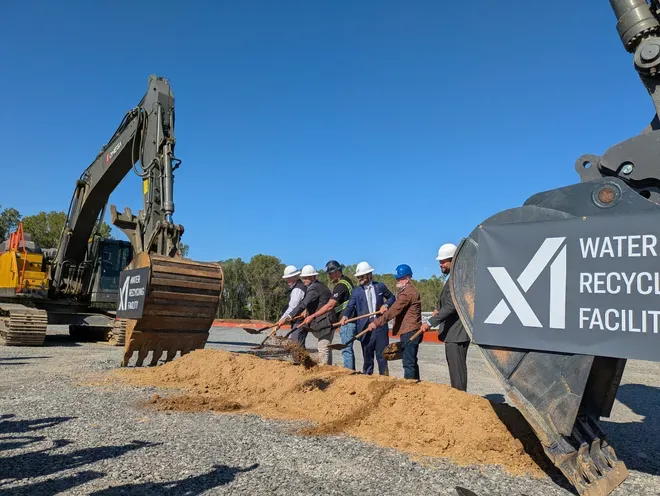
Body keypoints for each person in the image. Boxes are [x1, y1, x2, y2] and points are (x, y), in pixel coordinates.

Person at [421, 243, 471, 391]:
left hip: (457, 333)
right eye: (440, 261)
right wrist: (437, 309)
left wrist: (430, 322)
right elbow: (447, 302)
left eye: (443, 261)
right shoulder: (453, 278)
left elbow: (451, 306)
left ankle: (460, 397)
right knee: (456, 370)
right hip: (454, 333)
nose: (440, 264)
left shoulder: (457, 278)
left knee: (457, 372)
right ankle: (459, 395)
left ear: (453, 259)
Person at [366, 264, 422, 380]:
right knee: (411, 360)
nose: (397, 281)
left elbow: (394, 310)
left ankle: (410, 385)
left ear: (407, 278)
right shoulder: (407, 291)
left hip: (410, 331)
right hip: (410, 330)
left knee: (408, 362)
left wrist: (376, 323)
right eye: (397, 278)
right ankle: (415, 384)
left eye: (399, 278)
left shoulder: (407, 293)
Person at [340, 261, 395, 375]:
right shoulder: (356, 292)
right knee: (367, 358)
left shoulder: (380, 286)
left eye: (362, 276)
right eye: (358, 276)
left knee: (382, 357)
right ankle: (367, 379)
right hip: (365, 329)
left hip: (380, 326)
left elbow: (392, 298)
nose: (359, 278)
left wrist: (386, 305)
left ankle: (385, 379)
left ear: (369, 274)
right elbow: (350, 306)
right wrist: (345, 316)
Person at [301, 260, 356, 369]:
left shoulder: (340, 286)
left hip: (346, 320)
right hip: (349, 318)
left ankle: (349, 373)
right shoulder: (347, 281)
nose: (329, 276)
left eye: (331, 273)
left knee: (346, 350)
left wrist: (313, 316)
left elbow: (330, 305)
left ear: (337, 272)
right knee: (345, 349)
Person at [286, 265, 336, 365]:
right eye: (303, 278)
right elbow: (314, 302)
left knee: (323, 348)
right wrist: (307, 311)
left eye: (307, 278)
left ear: (313, 277)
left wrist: (289, 316)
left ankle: (325, 370)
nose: (304, 280)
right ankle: (327, 369)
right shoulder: (317, 286)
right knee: (325, 347)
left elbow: (303, 303)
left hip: (325, 321)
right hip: (325, 320)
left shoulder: (314, 288)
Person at [277, 265, 307, 347]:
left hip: (300, 321)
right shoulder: (298, 287)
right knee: (295, 343)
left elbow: (292, 308)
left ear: (296, 277)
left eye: (289, 278)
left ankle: (300, 356)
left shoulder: (298, 289)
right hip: (297, 321)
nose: (287, 280)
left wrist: (281, 320)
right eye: (287, 278)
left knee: (296, 345)